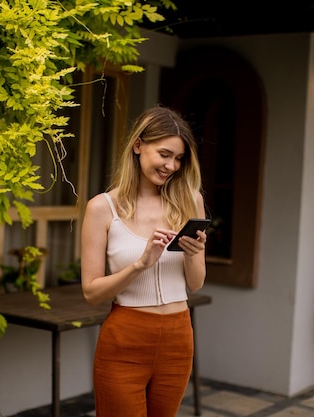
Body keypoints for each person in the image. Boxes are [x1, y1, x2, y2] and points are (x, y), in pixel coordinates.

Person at [80, 106, 207, 417]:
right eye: (164, 154)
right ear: (138, 145)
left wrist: (192, 254)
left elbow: (196, 282)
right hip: (125, 339)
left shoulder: (191, 201)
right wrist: (140, 265)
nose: (171, 165)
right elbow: (92, 292)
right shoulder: (102, 208)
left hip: (178, 338)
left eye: (178, 159)